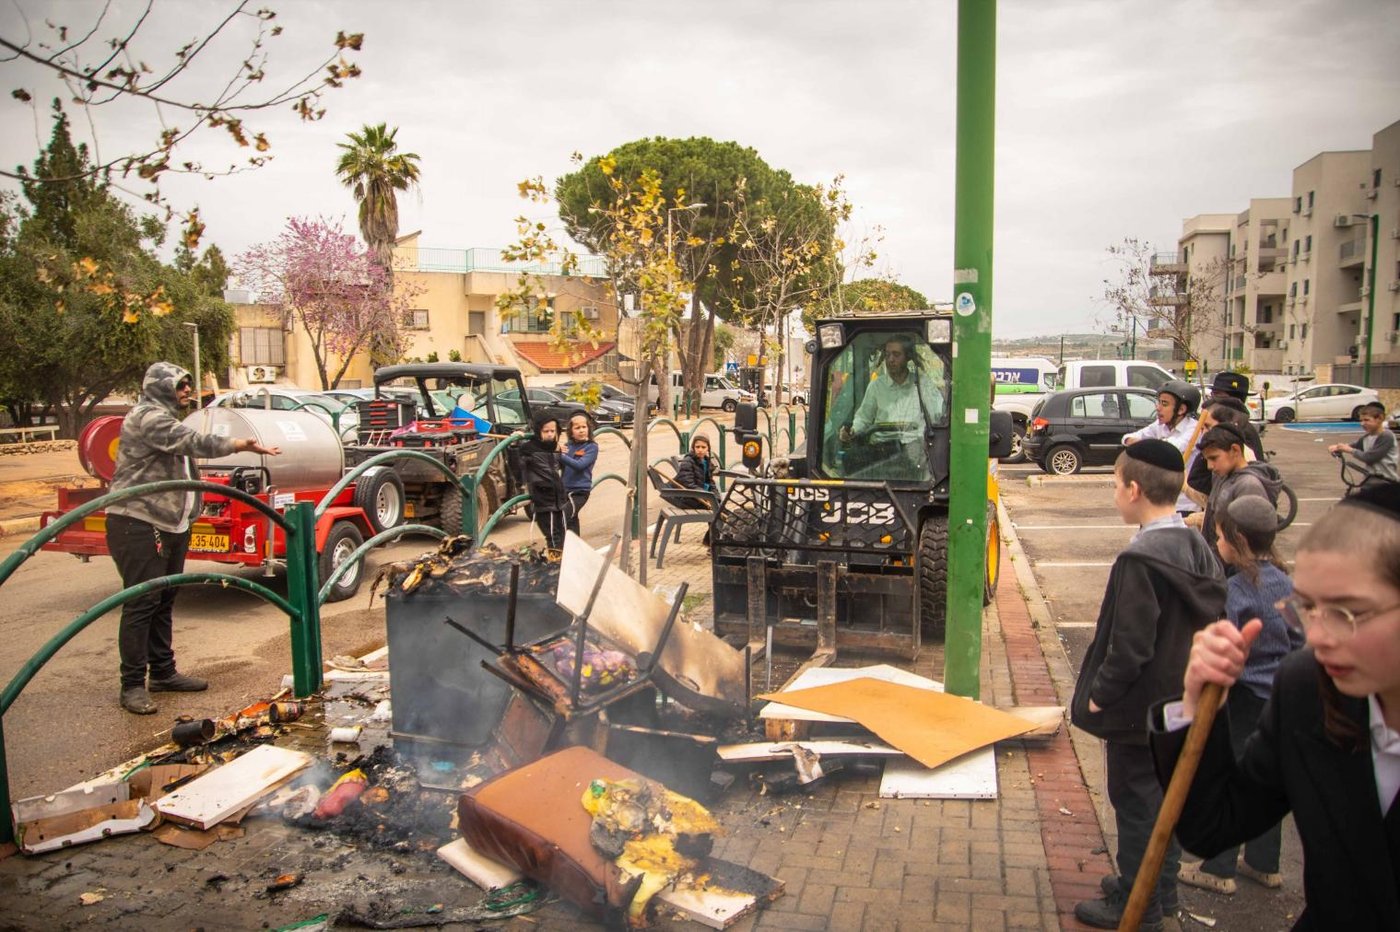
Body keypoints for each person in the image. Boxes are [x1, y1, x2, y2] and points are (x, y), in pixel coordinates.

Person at [1150, 482, 1400, 929]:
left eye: (1348, 613)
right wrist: (1194, 704)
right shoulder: (1308, 689)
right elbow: (1214, 825)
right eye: (1307, 608)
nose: (1317, 637)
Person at [1070, 439, 1227, 930]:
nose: (1114, 494)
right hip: (1182, 700)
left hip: (1140, 711)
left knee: (1136, 804)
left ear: (1134, 490)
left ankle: (1140, 907)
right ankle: (1161, 888)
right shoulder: (1196, 546)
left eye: (1115, 485)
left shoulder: (1139, 560)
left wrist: (1100, 695)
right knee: (1166, 799)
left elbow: (1129, 647)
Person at [107, 362, 281, 716]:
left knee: (164, 599)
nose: (187, 389)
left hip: (170, 523)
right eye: (180, 384)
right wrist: (238, 443)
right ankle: (132, 685)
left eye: (188, 383)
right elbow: (193, 442)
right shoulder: (148, 417)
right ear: (160, 388)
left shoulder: (167, 418)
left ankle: (163, 672)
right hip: (138, 521)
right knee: (142, 602)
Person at [1177, 496, 1301, 895]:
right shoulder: (1287, 584)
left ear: (1239, 540)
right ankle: (1264, 864)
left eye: (1219, 537)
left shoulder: (1233, 591)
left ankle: (1219, 867)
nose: (1217, 543)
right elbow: (1301, 639)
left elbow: (1222, 644)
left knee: (1230, 778)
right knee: (1269, 775)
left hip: (1242, 695)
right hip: (1279, 695)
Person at [838, 335, 944, 475]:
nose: (891, 359)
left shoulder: (923, 384)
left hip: (916, 447)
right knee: (849, 461)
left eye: (896, 355)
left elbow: (938, 416)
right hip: (882, 449)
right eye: (887, 355)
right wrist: (852, 431)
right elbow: (863, 418)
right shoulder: (876, 386)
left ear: (908, 357)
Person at [1196, 423, 1281, 569]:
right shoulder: (1221, 477)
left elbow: (1250, 542)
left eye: (1214, 458)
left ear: (1235, 450)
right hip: (1217, 563)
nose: (1210, 466)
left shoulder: (1249, 485)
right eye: (1207, 460)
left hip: (1238, 568)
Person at [1122, 380, 1202, 517]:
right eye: (1158, 402)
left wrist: (1145, 446)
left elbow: (1169, 449)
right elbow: (1128, 438)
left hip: (1183, 503)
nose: (1158, 408)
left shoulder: (1194, 429)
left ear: (1181, 409)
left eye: (1164, 404)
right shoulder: (1160, 426)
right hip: (1157, 499)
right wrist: (1143, 444)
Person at [519, 412, 566, 552]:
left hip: (558, 500)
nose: (550, 434)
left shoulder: (555, 447)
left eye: (553, 431)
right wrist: (515, 441)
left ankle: (561, 561)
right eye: (546, 431)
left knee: (562, 535)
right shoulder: (529, 449)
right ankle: (555, 562)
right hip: (544, 500)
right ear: (538, 431)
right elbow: (517, 466)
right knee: (553, 537)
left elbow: (559, 467)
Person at [1327, 401, 1399, 488]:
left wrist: (1349, 450)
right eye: (1361, 420)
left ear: (1379, 419)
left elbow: (1370, 457)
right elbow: (1353, 445)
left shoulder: (1386, 436)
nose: (1362, 424)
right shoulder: (1367, 437)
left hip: (1386, 483)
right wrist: (1338, 447)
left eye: (1366, 420)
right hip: (1370, 482)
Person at [1208, 371, 1264, 460]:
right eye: (1212, 394)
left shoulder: (1242, 429)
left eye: (1217, 394)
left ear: (1234, 400)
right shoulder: (1217, 423)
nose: (1213, 398)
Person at [560, 412, 598, 536]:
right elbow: (560, 465)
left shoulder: (591, 447)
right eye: (577, 428)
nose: (581, 430)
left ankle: (557, 545)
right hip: (565, 490)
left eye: (584, 427)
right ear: (571, 432)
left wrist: (560, 455)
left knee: (562, 516)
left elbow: (579, 465)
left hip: (579, 492)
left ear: (589, 429)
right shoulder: (568, 446)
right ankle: (575, 545)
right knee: (571, 521)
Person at [674, 433, 719, 509]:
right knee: (717, 511)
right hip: (691, 498)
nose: (700, 450)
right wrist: (708, 497)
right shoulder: (688, 462)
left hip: (705, 496)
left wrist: (717, 498)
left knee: (722, 509)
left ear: (708, 448)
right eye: (697, 447)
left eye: (703, 447)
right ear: (693, 448)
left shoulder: (707, 461)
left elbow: (711, 483)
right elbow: (689, 485)